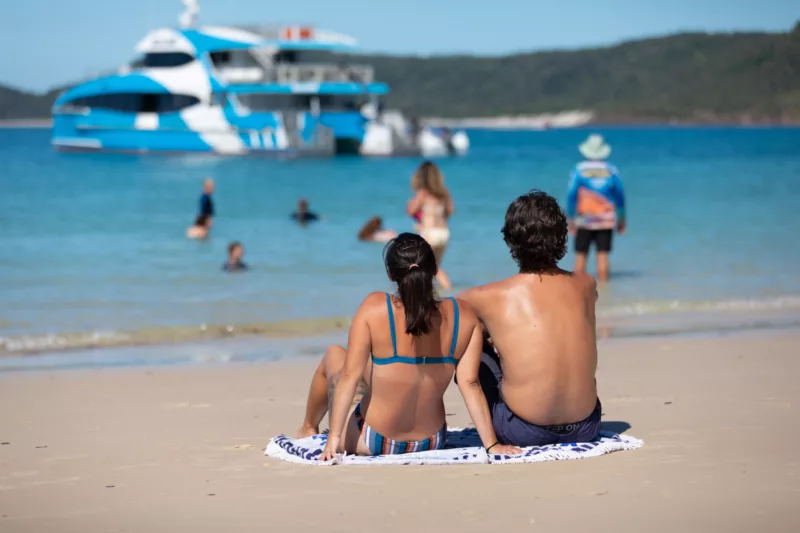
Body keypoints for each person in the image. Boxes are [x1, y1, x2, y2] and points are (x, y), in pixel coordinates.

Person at [296, 233, 521, 460]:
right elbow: (470, 384)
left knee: (335, 355)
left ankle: (308, 427)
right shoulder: (463, 315)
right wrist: (491, 445)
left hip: (373, 439)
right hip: (431, 440)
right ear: (434, 271)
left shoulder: (375, 307)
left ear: (390, 274)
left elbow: (349, 376)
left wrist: (333, 439)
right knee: (372, 368)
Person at [457, 190, 601, 447]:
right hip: (586, 426)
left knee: (470, 339)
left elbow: (448, 317)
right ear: (562, 236)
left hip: (523, 430)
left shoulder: (486, 296)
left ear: (511, 240)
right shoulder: (587, 285)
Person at [566, 134, 626, 282]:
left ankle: (577, 290)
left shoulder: (579, 169)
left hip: (584, 219)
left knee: (580, 255)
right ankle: (605, 290)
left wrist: (570, 218)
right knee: (603, 255)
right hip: (606, 219)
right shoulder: (611, 169)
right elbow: (619, 196)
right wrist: (622, 218)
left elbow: (572, 195)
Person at [406, 161, 454, 289]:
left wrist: (412, 204)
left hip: (430, 234)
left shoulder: (423, 193)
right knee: (433, 266)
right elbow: (450, 211)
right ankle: (438, 290)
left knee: (426, 266)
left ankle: (447, 288)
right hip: (443, 234)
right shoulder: (444, 193)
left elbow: (411, 210)